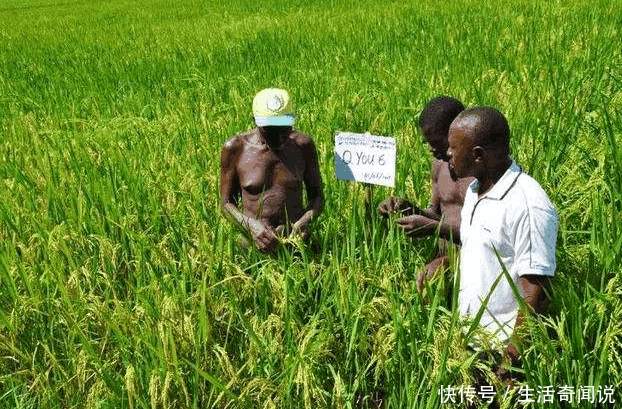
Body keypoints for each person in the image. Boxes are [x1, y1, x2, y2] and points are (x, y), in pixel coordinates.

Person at [446, 106, 558, 367]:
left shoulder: (528, 205)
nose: (448, 153)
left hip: (503, 354)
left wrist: (511, 360)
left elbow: (536, 291)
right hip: (472, 344)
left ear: (478, 155)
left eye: (453, 147)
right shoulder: (475, 190)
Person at [378, 96, 473, 290]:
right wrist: (408, 208)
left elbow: (488, 236)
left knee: (427, 278)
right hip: (443, 255)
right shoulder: (439, 166)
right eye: (427, 143)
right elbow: (436, 215)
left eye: (438, 142)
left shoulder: (479, 172)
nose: (432, 149)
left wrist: (434, 228)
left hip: (474, 256)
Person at [220, 88, 323, 253]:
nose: (278, 136)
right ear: (254, 120)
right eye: (269, 130)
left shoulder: (303, 146)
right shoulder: (236, 148)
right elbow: (226, 204)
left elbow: (317, 197)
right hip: (253, 239)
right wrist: (252, 228)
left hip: (296, 239)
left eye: (284, 128)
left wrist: (303, 223)